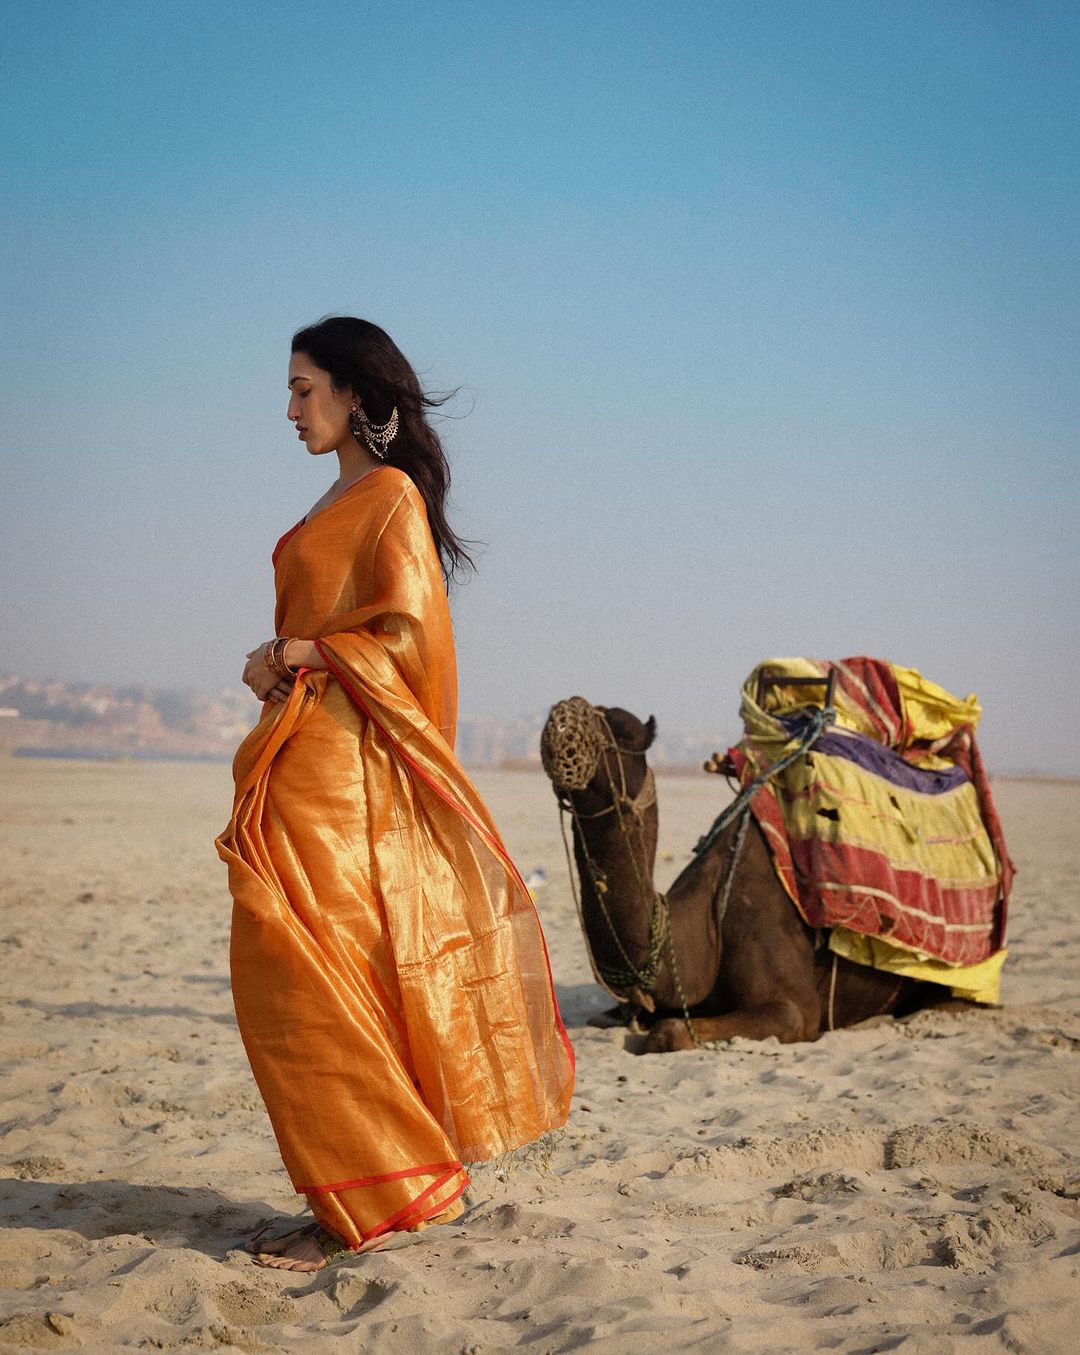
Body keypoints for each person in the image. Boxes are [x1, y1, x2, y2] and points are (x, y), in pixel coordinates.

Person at [215, 316, 574, 1273]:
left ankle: (384, 1196)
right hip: (293, 758)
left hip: (346, 775)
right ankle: (357, 1190)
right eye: (288, 391)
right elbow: (325, 628)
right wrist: (274, 663)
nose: (289, 409)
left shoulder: (390, 500)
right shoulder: (333, 506)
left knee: (316, 975)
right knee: (289, 970)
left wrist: (307, 650)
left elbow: (414, 641)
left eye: (303, 388)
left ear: (358, 396)